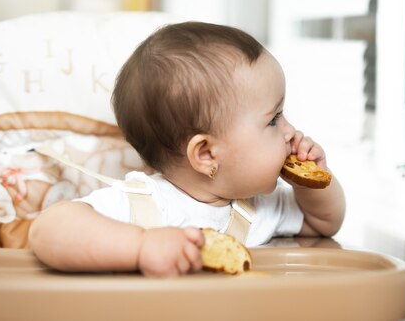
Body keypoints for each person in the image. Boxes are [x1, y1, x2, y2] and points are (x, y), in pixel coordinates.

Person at [29, 21, 346, 277]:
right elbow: (47, 231)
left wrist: (319, 180)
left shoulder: (259, 208)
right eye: (274, 119)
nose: (291, 132)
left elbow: (323, 223)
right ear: (207, 154)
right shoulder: (144, 205)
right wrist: (140, 247)